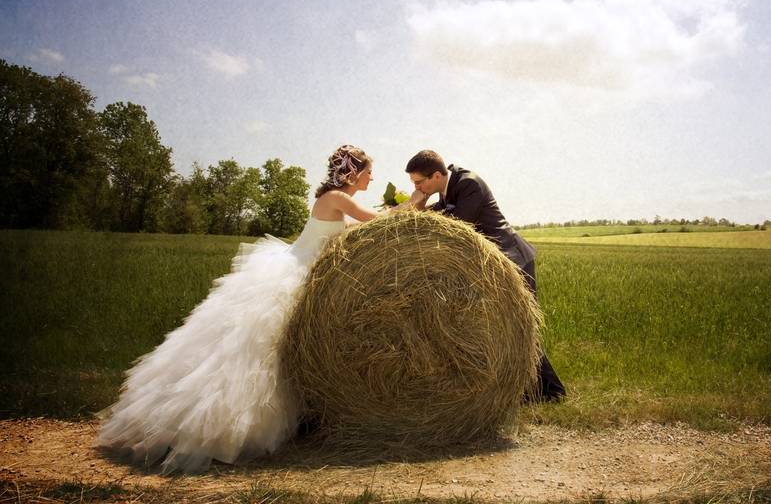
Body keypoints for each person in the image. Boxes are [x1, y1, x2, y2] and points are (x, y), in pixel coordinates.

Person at [96, 145, 382, 474]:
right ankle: (210, 428)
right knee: (256, 349)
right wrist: (411, 207)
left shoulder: (333, 199)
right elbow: (374, 221)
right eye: (369, 172)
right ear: (354, 173)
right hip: (295, 272)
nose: (372, 177)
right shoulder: (339, 197)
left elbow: (350, 230)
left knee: (268, 347)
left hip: (299, 267)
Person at [405, 150, 566, 402]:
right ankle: (528, 390)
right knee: (502, 327)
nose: (417, 187)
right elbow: (438, 214)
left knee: (519, 326)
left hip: (513, 259)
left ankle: (551, 391)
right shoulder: (448, 189)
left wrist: (420, 205)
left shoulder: (468, 183)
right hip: (493, 266)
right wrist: (417, 207)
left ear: (436, 175)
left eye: (418, 182)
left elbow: (457, 225)